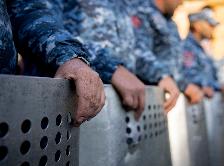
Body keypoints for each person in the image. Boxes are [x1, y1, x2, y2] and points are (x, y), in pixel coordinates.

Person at [7, 0, 146, 121]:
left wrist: (160, 74)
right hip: (59, 109)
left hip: (119, 105)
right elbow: (33, 16)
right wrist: (109, 67)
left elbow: (137, 44)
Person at [183, 8, 224, 100]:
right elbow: (189, 76)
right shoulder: (186, 47)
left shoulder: (202, 50)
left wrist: (218, 86)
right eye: (210, 24)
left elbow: (211, 76)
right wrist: (216, 86)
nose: (213, 28)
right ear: (197, 25)